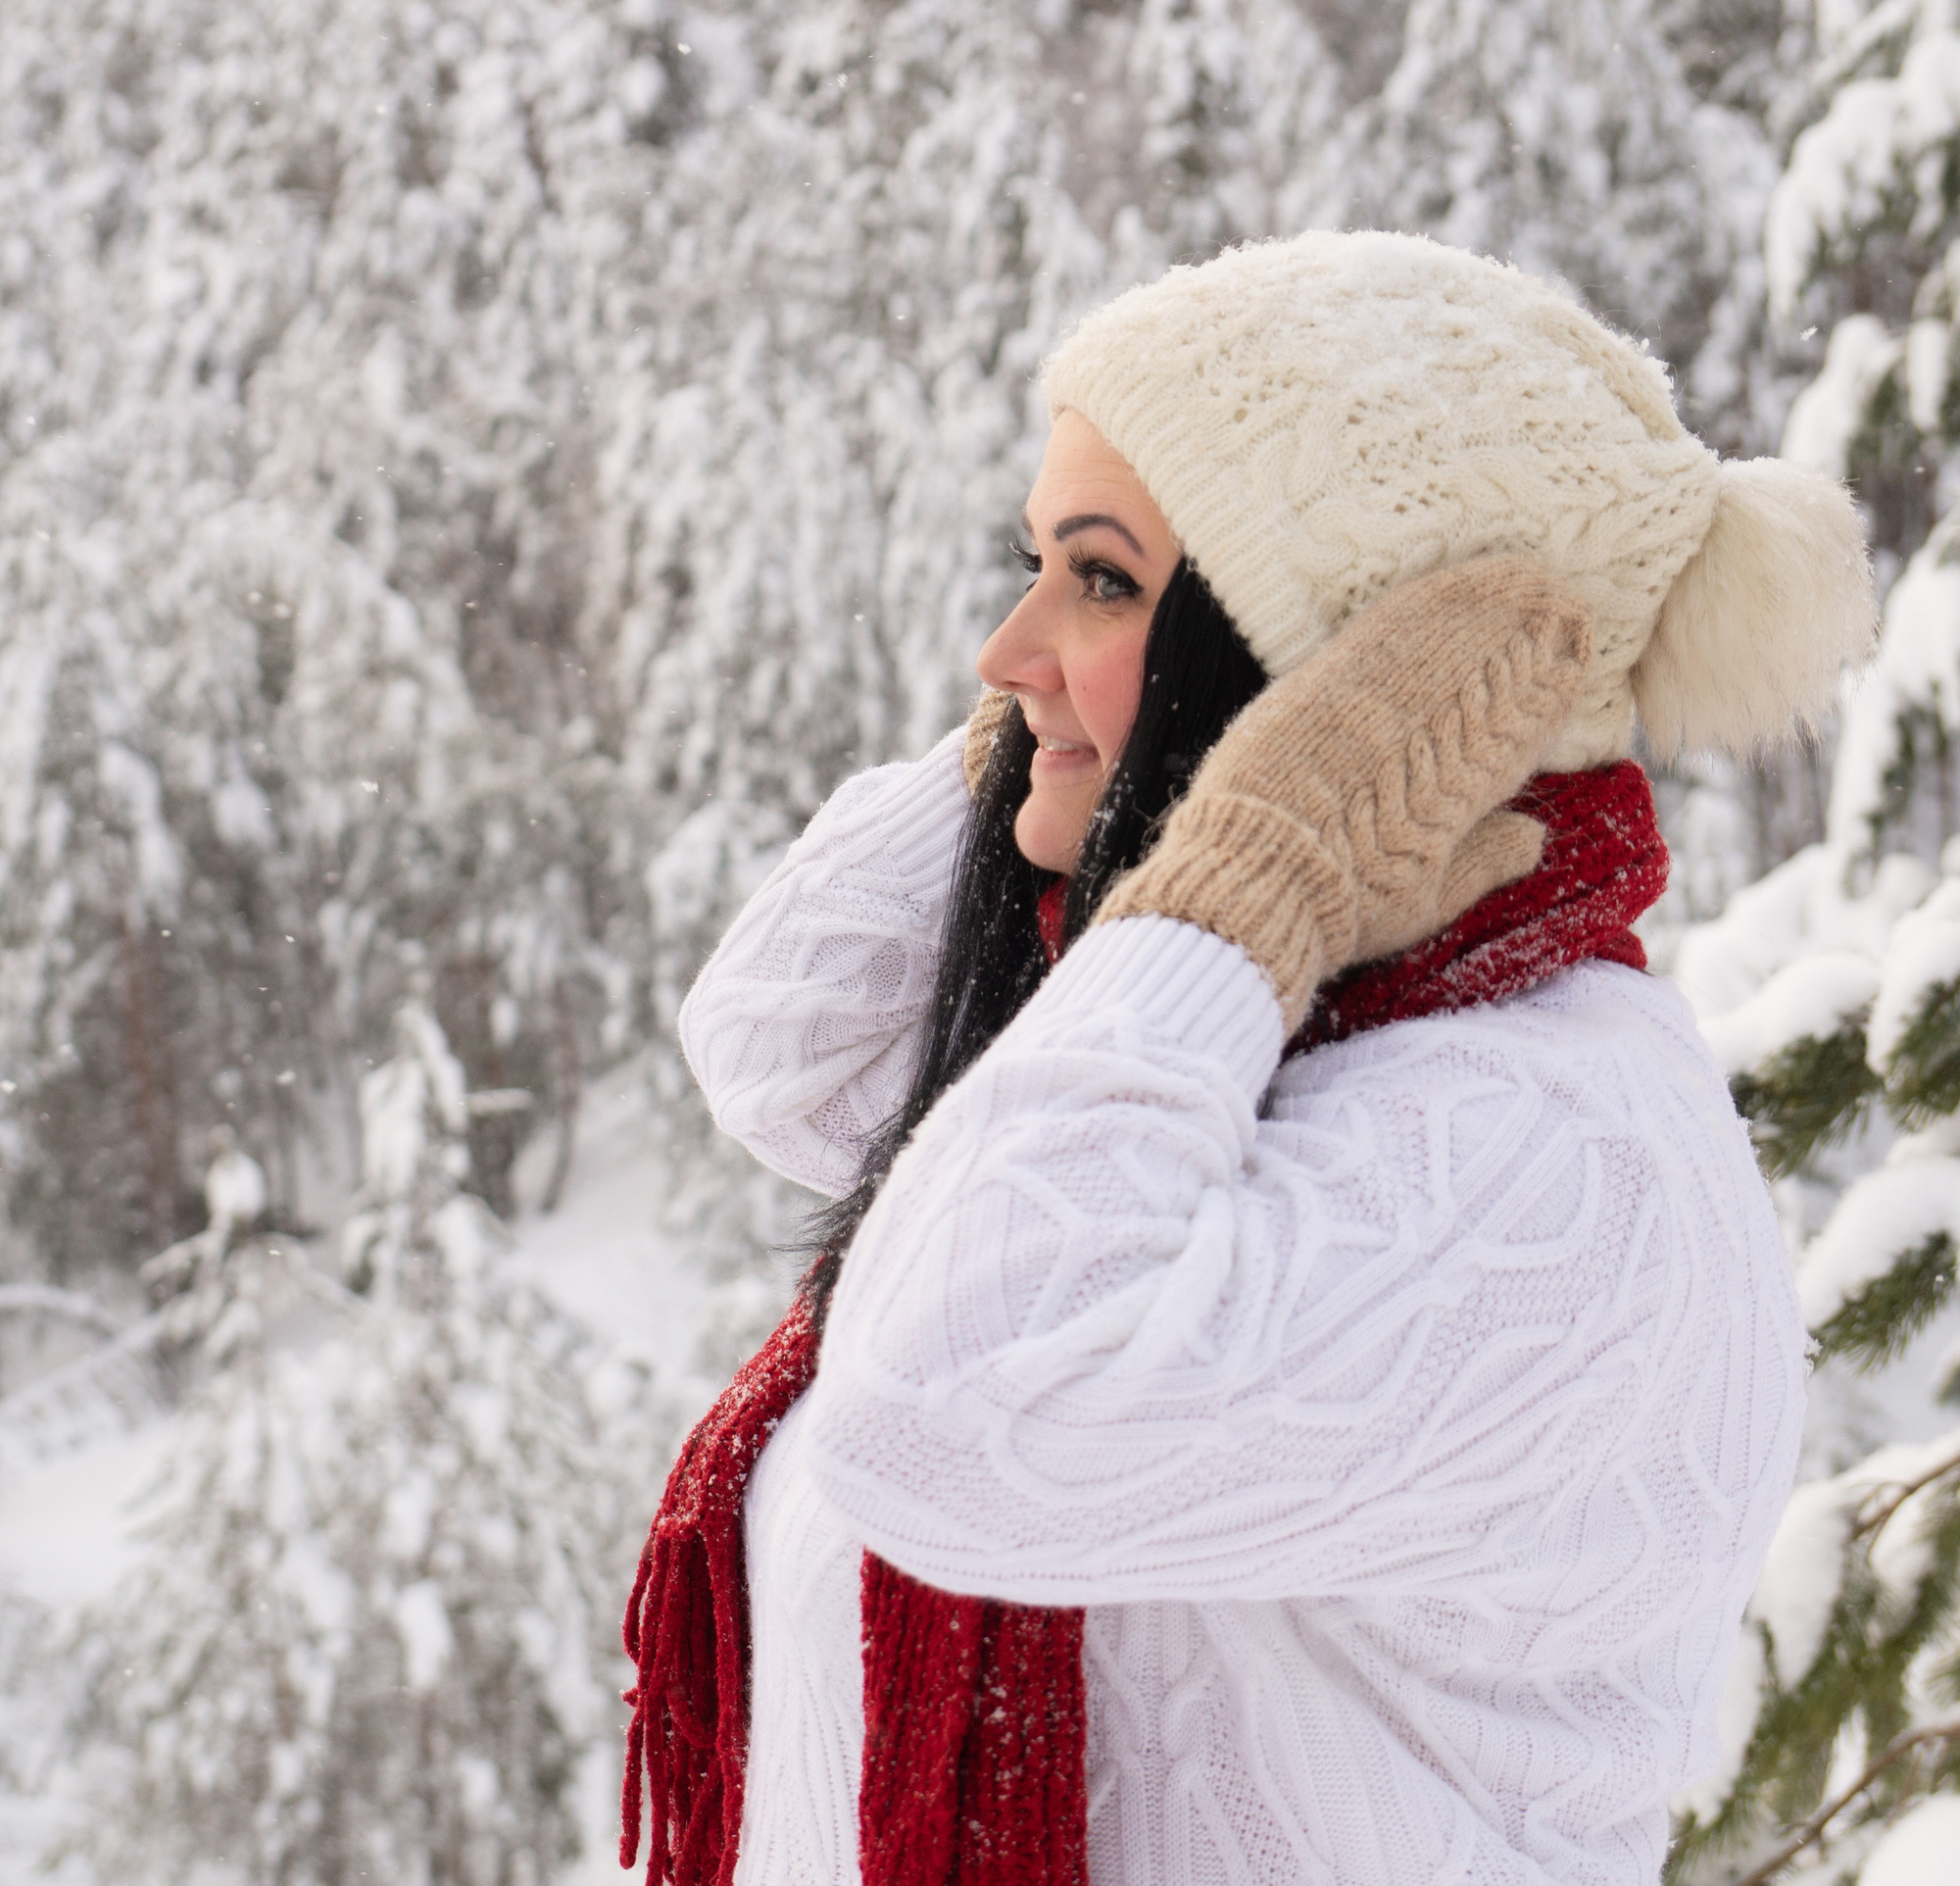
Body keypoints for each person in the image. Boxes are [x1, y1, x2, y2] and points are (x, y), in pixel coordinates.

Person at [620, 232, 1878, 1886]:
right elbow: (785, 1033)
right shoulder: (1246, 1029)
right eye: (1043, 564)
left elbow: (949, 1420)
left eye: (1101, 579)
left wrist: (1249, 862)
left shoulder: (1550, 1146)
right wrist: (1135, 756)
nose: (1002, 655)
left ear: (1325, 657)